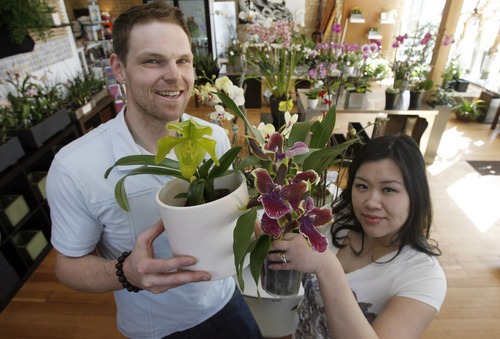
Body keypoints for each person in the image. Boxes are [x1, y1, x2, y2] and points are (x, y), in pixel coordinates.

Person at [46, 2, 262, 338]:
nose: (174, 76)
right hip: (157, 328)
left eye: (183, 60)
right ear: (119, 68)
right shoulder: (76, 166)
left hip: (226, 301)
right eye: (152, 61)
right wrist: (126, 272)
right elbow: (68, 265)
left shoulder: (216, 137)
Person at [267, 134, 447, 338]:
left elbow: (320, 263)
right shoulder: (337, 217)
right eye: (362, 186)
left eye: (389, 189)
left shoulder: (424, 277)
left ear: (415, 195)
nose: (371, 202)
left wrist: (326, 266)